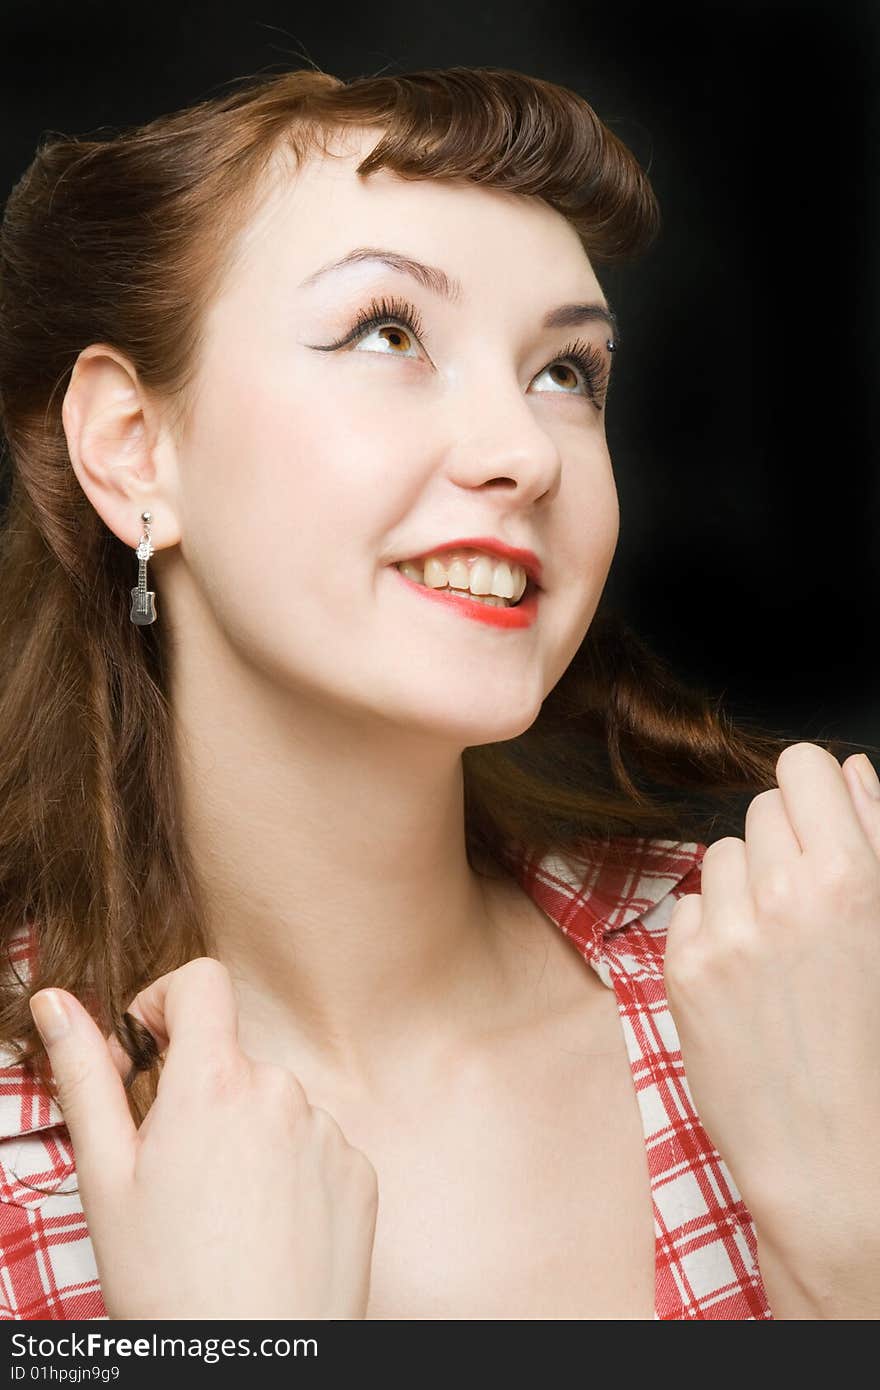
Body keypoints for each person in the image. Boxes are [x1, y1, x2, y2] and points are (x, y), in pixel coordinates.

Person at [0, 64, 876, 1322]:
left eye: (567, 371)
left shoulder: (806, 989)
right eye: (388, 332)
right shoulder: (27, 1164)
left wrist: (847, 1236)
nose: (524, 452)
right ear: (134, 448)